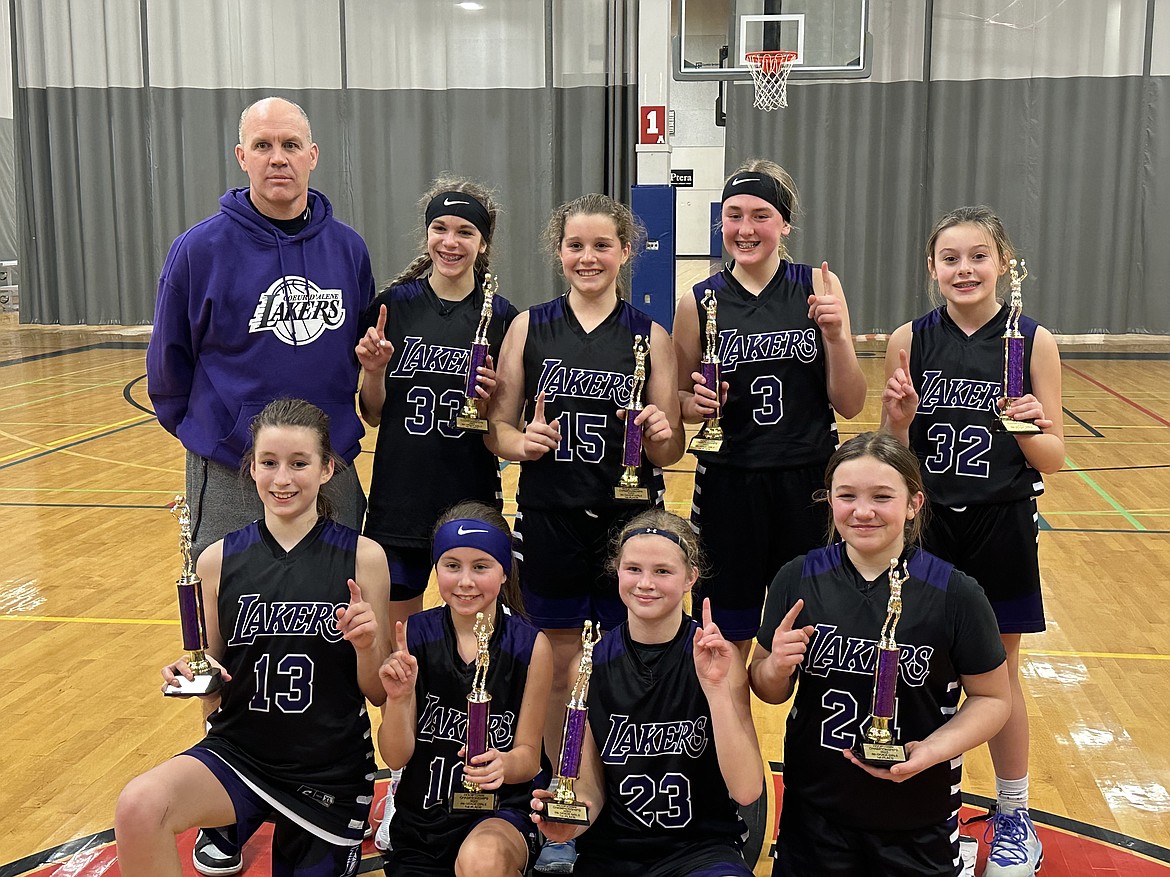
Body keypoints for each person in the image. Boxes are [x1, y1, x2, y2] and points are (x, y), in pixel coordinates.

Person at [487, 193, 685, 871]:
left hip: (631, 527)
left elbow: (671, 448)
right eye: (576, 245)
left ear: (625, 253)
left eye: (603, 245)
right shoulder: (529, 329)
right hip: (551, 518)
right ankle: (564, 802)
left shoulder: (649, 335)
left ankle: (625, 798)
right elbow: (500, 427)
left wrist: (661, 431)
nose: (588, 257)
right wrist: (523, 440)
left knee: (631, 663)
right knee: (559, 664)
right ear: (559, 251)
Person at [114, 399, 391, 877]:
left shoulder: (363, 558)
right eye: (269, 463)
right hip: (240, 753)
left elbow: (378, 690)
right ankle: (225, 829)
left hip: (326, 769)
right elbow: (214, 671)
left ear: (327, 469)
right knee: (139, 807)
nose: (282, 479)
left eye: (299, 464)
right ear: (252, 468)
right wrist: (192, 674)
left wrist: (367, 646)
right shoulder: (217, 561)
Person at [881, 206, 1065, 877]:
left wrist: (1025, 427)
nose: (965, 269)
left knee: (998, 679)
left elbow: (1054, 457)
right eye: (951, 258)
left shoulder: (1033, 341)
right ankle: (937, 814)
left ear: (1003, 263)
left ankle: (1015, 815)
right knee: (921, 673)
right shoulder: (910, 339)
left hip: (1000, 523)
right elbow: (891, 451)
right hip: (929, 528)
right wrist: (897, 420)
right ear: (932, 268)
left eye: (978, 256)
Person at [749, 432, 1011, 877]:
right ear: (829, 500)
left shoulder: (955, 592)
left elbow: (994, 699)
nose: (863, 511)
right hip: (815, 814)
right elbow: (767, 687)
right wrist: (773, 666)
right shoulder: (798, 578)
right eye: (846, 495)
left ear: (914, 503)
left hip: (917, 814)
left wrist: (930, 751)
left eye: (882, 497)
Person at [146, 96, 375, 563]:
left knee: (335, 615)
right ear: (241, 156)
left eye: (291, 144)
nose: (278, 158)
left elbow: (360, 356)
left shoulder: (349, 249)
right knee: (232, 616)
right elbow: (168, 371)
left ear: (312, 155)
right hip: (235, 468)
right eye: (263, 145)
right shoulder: (198, 250)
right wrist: (224, 439)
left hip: (330, 468)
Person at [673, 159, 866, 653]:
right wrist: (695, 403)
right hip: (728, 483)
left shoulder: (818, 287)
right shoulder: (697, 301)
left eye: (760, 215)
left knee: (818, 634)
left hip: (808, 479)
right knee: (725, 636)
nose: (745, 228)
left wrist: (838, 335)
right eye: (733, 215)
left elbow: (850, 403)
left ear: (784, 223)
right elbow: (678, 402)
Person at [530, 509, 763, 877]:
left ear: (690, 578)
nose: (645, 583)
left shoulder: (718, 658)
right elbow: (589, 786)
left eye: (662, 571)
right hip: (612, 853)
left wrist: (717, 690)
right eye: (633, 569)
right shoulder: (588, 664)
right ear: (616, 571)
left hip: (700, 850)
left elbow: (747, 790)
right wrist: (570, 825)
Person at [355, 177, 517, 638]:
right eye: (440, 228)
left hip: (469, 497)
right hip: (400, 501)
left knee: (473, 638)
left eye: (465, 232)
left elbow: (506, 425)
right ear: (426, 235)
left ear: (483, 242)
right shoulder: (392, 307)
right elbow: (373, 413)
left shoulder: (503, 317)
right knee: (399, 642)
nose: (451, 242)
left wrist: (491, 401)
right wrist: (374, 371)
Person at [376, 500, 552, 877]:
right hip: (422, 819)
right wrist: (399, 697)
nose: (466, 581)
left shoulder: (530, 646)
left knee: (481, 861)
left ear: (505, 572)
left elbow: (529, 756)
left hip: (500, 815)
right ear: (436, 568)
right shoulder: (414, 637)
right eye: (452, 566)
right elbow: (394, 756)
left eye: (481, 567)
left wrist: (504, 764)